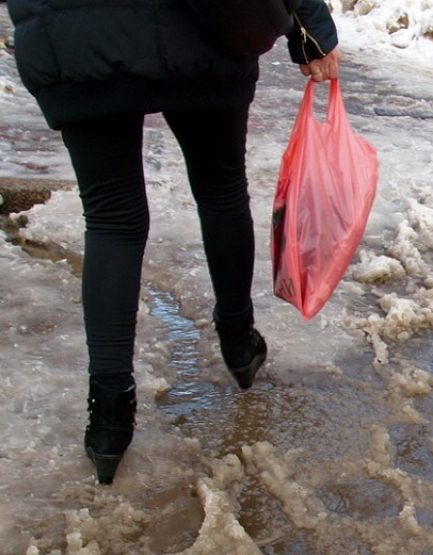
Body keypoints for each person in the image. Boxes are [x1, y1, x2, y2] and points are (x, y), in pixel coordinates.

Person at [7, 0, 341, 484]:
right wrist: (309, 23)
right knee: (221, 187)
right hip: (200, 27)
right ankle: (239, 343)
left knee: (111, 219)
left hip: (77, 36)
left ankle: (109, 419)